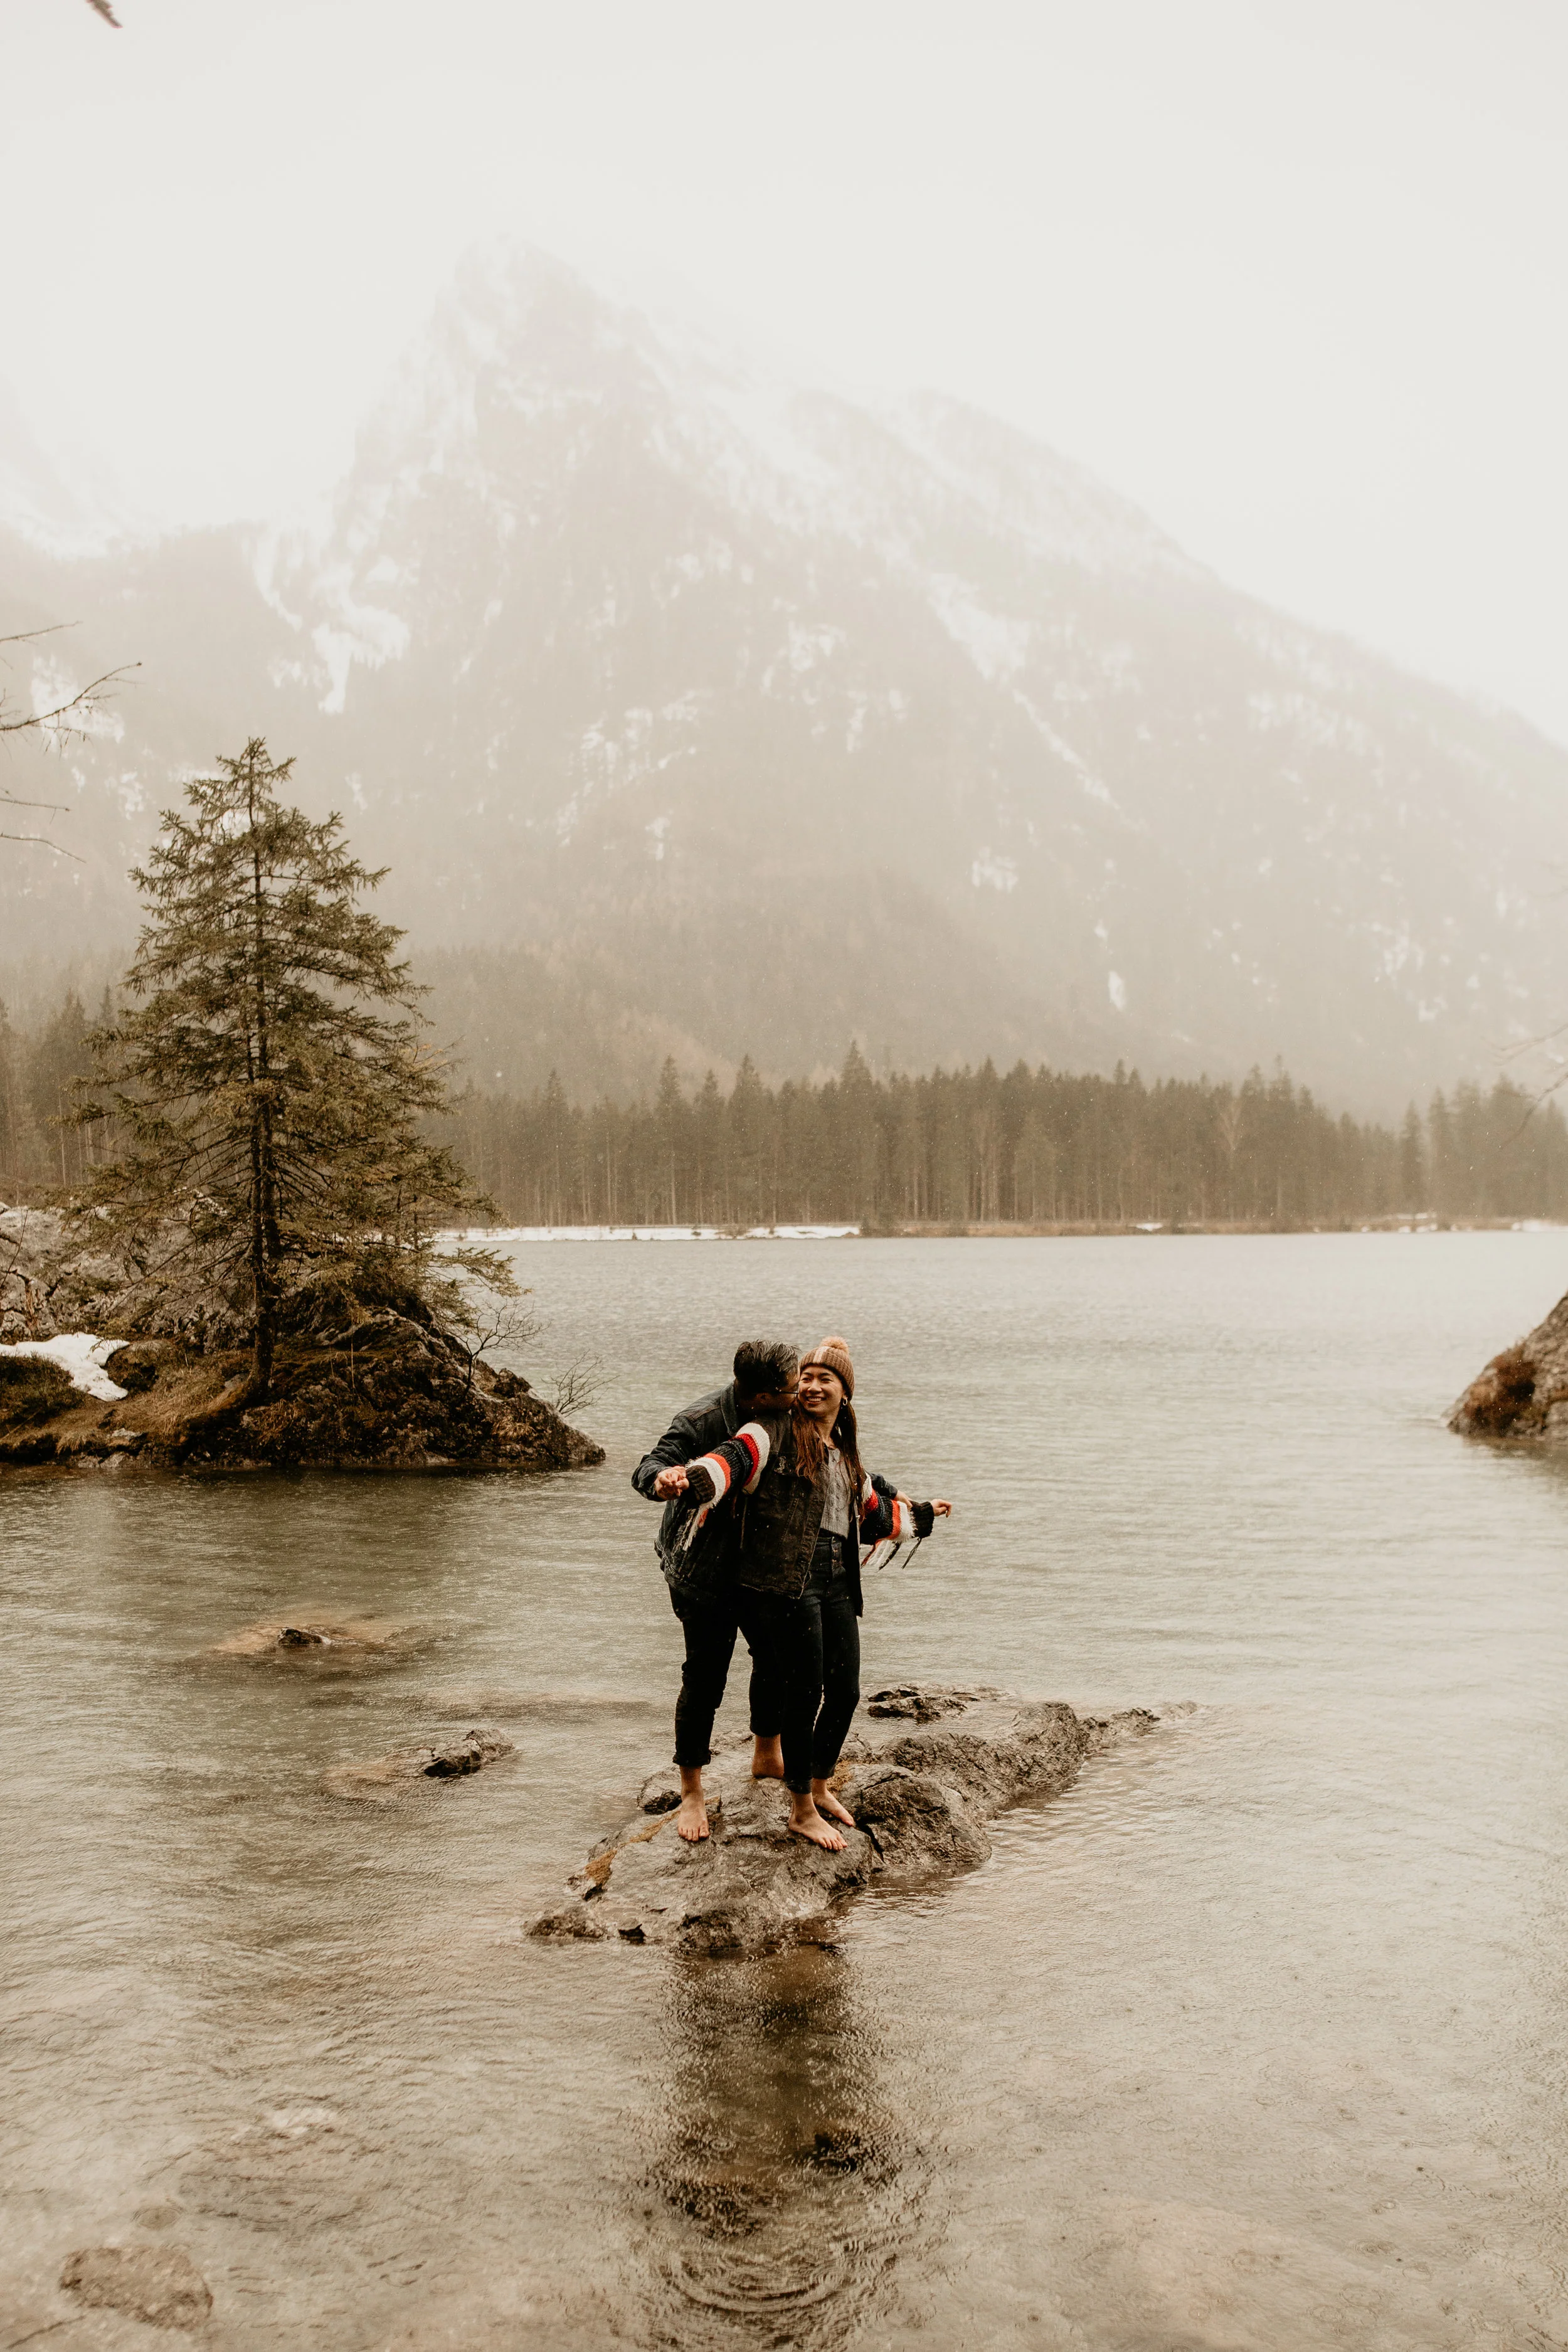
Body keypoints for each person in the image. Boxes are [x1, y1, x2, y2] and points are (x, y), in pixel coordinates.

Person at [679, 1337, 952, 1851]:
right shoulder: (773, 1431)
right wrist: (695, 1478)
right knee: (804, 1694)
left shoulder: (846, 1456)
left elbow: (873, 1515)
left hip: (838, 1581)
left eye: (826, 1379)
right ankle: (801, 1809)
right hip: (787, 1583)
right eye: (805, 1377)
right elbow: (731, 1460)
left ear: (844, 1394)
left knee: (845, 1691)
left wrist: (922, 1514)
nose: (811, 1385)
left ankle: (820, 1786)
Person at [632, 1338, 800, 1843]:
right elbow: (648, 1465)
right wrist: (662, 1479)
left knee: (775, 1660)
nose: (800, 1394)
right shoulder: (702, 1420)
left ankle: (766, 1752)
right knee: (705, 1676)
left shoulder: (791, 1419)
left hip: (762, 1566)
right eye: (792, 1388)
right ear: (766, 1394)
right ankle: (691, 1789)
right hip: (699, 1570)